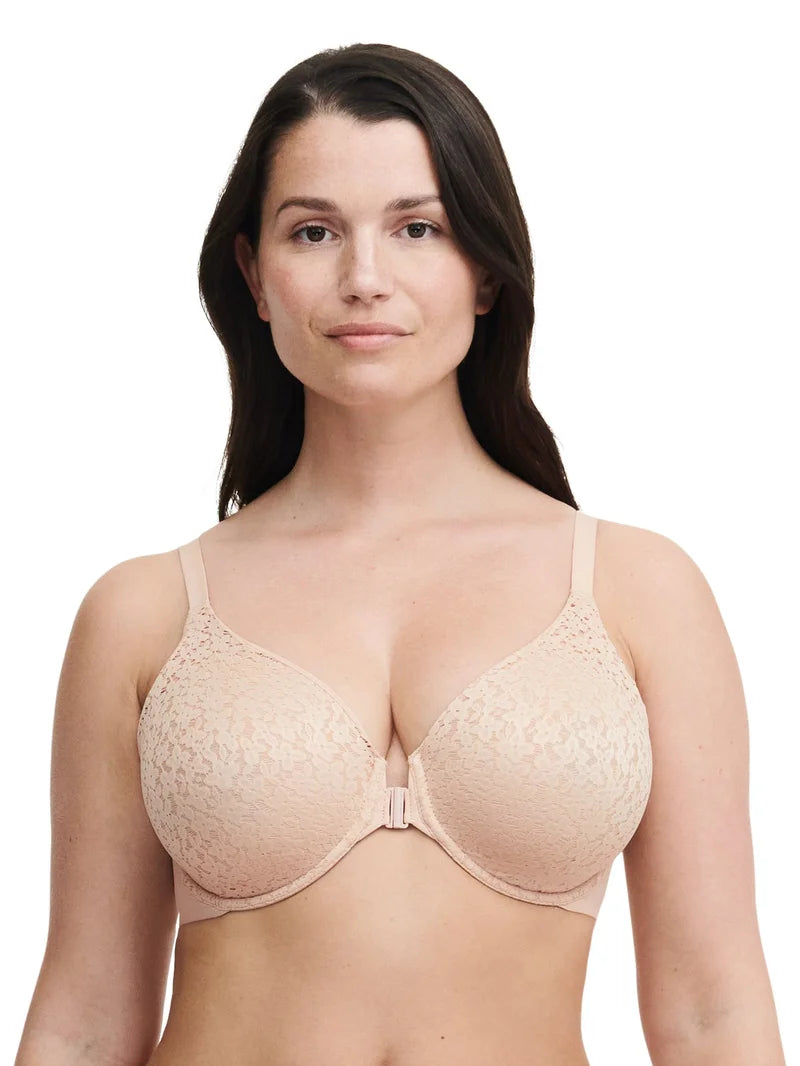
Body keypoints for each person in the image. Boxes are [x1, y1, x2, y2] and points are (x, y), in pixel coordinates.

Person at [15, 41, 785, 1066]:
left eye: (417, 228)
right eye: (314, 231)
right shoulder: (144, 613)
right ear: (254, 274)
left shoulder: (638, 593)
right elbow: (83, 1020)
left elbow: (710, 1010)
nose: (364, 278)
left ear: (485, 272)